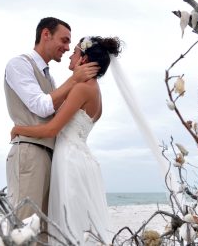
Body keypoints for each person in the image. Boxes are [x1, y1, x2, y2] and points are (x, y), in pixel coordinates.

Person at [11, 36, 122, 245]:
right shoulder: (95, 91)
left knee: (67, 224)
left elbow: (52, 129)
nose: (70, 55)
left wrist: (19, 129)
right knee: (80, 224)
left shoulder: (81, 89)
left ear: (83, 59)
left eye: (75, 52)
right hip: (82, 158)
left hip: (69, 159)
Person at [4, 17, 99, 224]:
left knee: (44, 231)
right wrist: (74, 79)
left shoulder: (50, 78)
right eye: (64, 41)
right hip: (30, 152)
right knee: (25, 225)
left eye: (70, 45)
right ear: (45, 34)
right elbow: (41, 106)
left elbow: (55, 118)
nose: (66, 48)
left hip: (52, 156)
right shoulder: (20, 64)